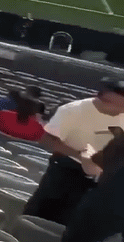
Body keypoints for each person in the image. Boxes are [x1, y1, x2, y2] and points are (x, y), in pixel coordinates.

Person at [25, 79, 124, 224]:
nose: (121, 110)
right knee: (40, 215)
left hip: (99, 178)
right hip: (65, 171)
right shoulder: (72, 110)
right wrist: (81, 155)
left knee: (73, 223)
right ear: (104, 99)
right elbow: (47, 139)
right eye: (118, 106)